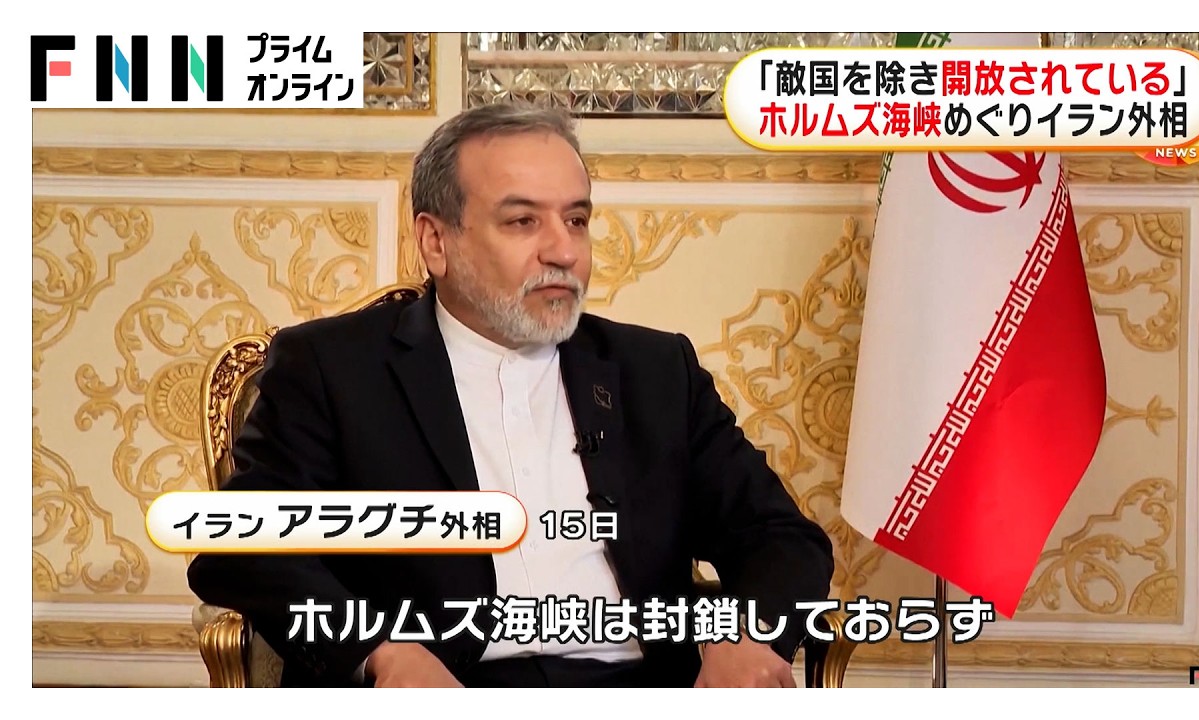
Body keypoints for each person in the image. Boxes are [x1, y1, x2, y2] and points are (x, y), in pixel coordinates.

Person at [186, 103, 834, 688]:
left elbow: (780, 537)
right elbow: (243, 546)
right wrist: (381, 652)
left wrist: (748, 635)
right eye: (523, 221)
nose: (563, 251)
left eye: (576, 219)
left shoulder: (654, 369)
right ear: (436, 241)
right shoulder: (334, 368)